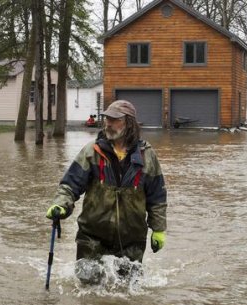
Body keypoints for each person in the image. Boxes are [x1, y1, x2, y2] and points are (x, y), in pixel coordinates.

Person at [46, 100, 167, 283]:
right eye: (106, 118)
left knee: (128, 293)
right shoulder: (91, 152)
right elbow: (70, 185)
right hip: (92, 237)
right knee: (88, 289)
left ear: (129, 123)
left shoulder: (146, 156)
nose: (108, 123)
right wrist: (60, 204)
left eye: (114, 119)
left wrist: (158, 229)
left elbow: (157, 197)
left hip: (131, 241)